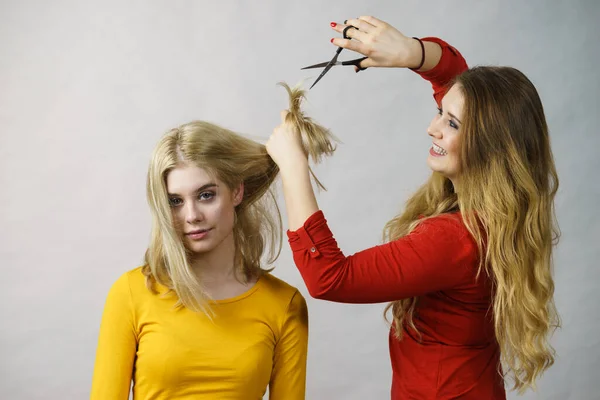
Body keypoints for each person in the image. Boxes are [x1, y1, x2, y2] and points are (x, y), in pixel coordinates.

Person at [267, 16, 559, 399]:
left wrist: (293, 167)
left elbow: (329, 277)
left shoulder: (454, 240)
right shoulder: (500, 213)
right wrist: (412, 53)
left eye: (450, 123)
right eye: (441, 112)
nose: (433, 127)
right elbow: (458, 82)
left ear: (488, 147)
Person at [91, 95, 337, 400]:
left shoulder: (283, 304)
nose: (191, 216)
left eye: (206, 195)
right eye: (175, 201)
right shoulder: (131, 294)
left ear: (236, 191)